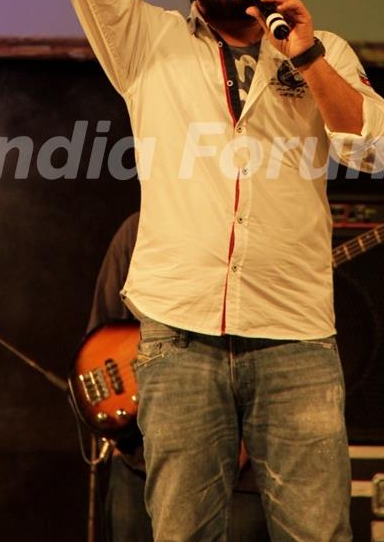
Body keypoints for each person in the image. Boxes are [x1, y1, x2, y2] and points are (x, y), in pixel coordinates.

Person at [41, 0, 384, 542]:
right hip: (179, 336)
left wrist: (303, 51)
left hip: (297, 336)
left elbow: (371, 149)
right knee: (185, 533)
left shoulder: (318, 48)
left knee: (316, 532)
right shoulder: (149, 45)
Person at [87, 213, 270, 542]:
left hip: (236, 468)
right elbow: (100, 334)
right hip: (140, 459)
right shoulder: (137, 229)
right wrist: (117, 418)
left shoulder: (255, 231)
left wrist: (243, 440)